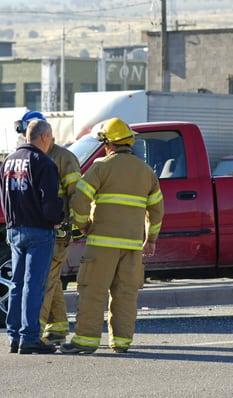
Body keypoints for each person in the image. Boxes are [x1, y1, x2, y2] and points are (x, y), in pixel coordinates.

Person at [60, 117, 164, 354]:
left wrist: (84, 225)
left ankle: (85, 341)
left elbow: (79, 199)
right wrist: (151, 239)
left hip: (102, 245)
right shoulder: (146, 172)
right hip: (132, 247)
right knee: (125, 294)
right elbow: (157, 209)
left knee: (93, 290)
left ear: (109, 144)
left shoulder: (101, 167)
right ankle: (121, 342)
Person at [15, 110, 81, 345]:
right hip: (38, 229)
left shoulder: (64, 158)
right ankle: (58, 327)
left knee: (43, 281)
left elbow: (77, 196)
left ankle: (36, 333)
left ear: (45, 135)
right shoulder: (29, 157)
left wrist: (72, 227)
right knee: (50, 279)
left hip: (57, 230)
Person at [0, 119, 64, 355]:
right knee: (33, 285)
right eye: (51, 138)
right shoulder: (43, 163)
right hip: (38, 231)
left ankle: (13, 336)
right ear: (44, 137)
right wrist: (59, 215)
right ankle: (29, 338)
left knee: (17, 284)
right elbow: (50, 204)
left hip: (14, 229)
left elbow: (2, 196)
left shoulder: (8, 161)